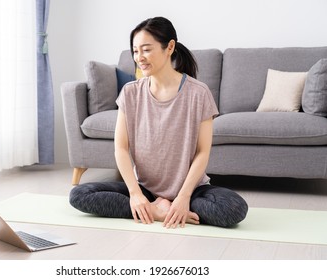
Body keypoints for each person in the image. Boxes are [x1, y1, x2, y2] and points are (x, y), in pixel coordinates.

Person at [69, 16, 248, 228]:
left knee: (234, 209)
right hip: (145, 190)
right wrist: (135, 195)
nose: (139, 57)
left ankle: (171, 209)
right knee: (79, 194)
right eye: (135, 51)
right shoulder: (130, 93)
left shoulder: (199, 93)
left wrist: (183, 198)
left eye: (146, 49)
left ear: (170, 47)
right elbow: (121, 148)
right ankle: (155, 211)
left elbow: (203, 152)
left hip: (191, 191)